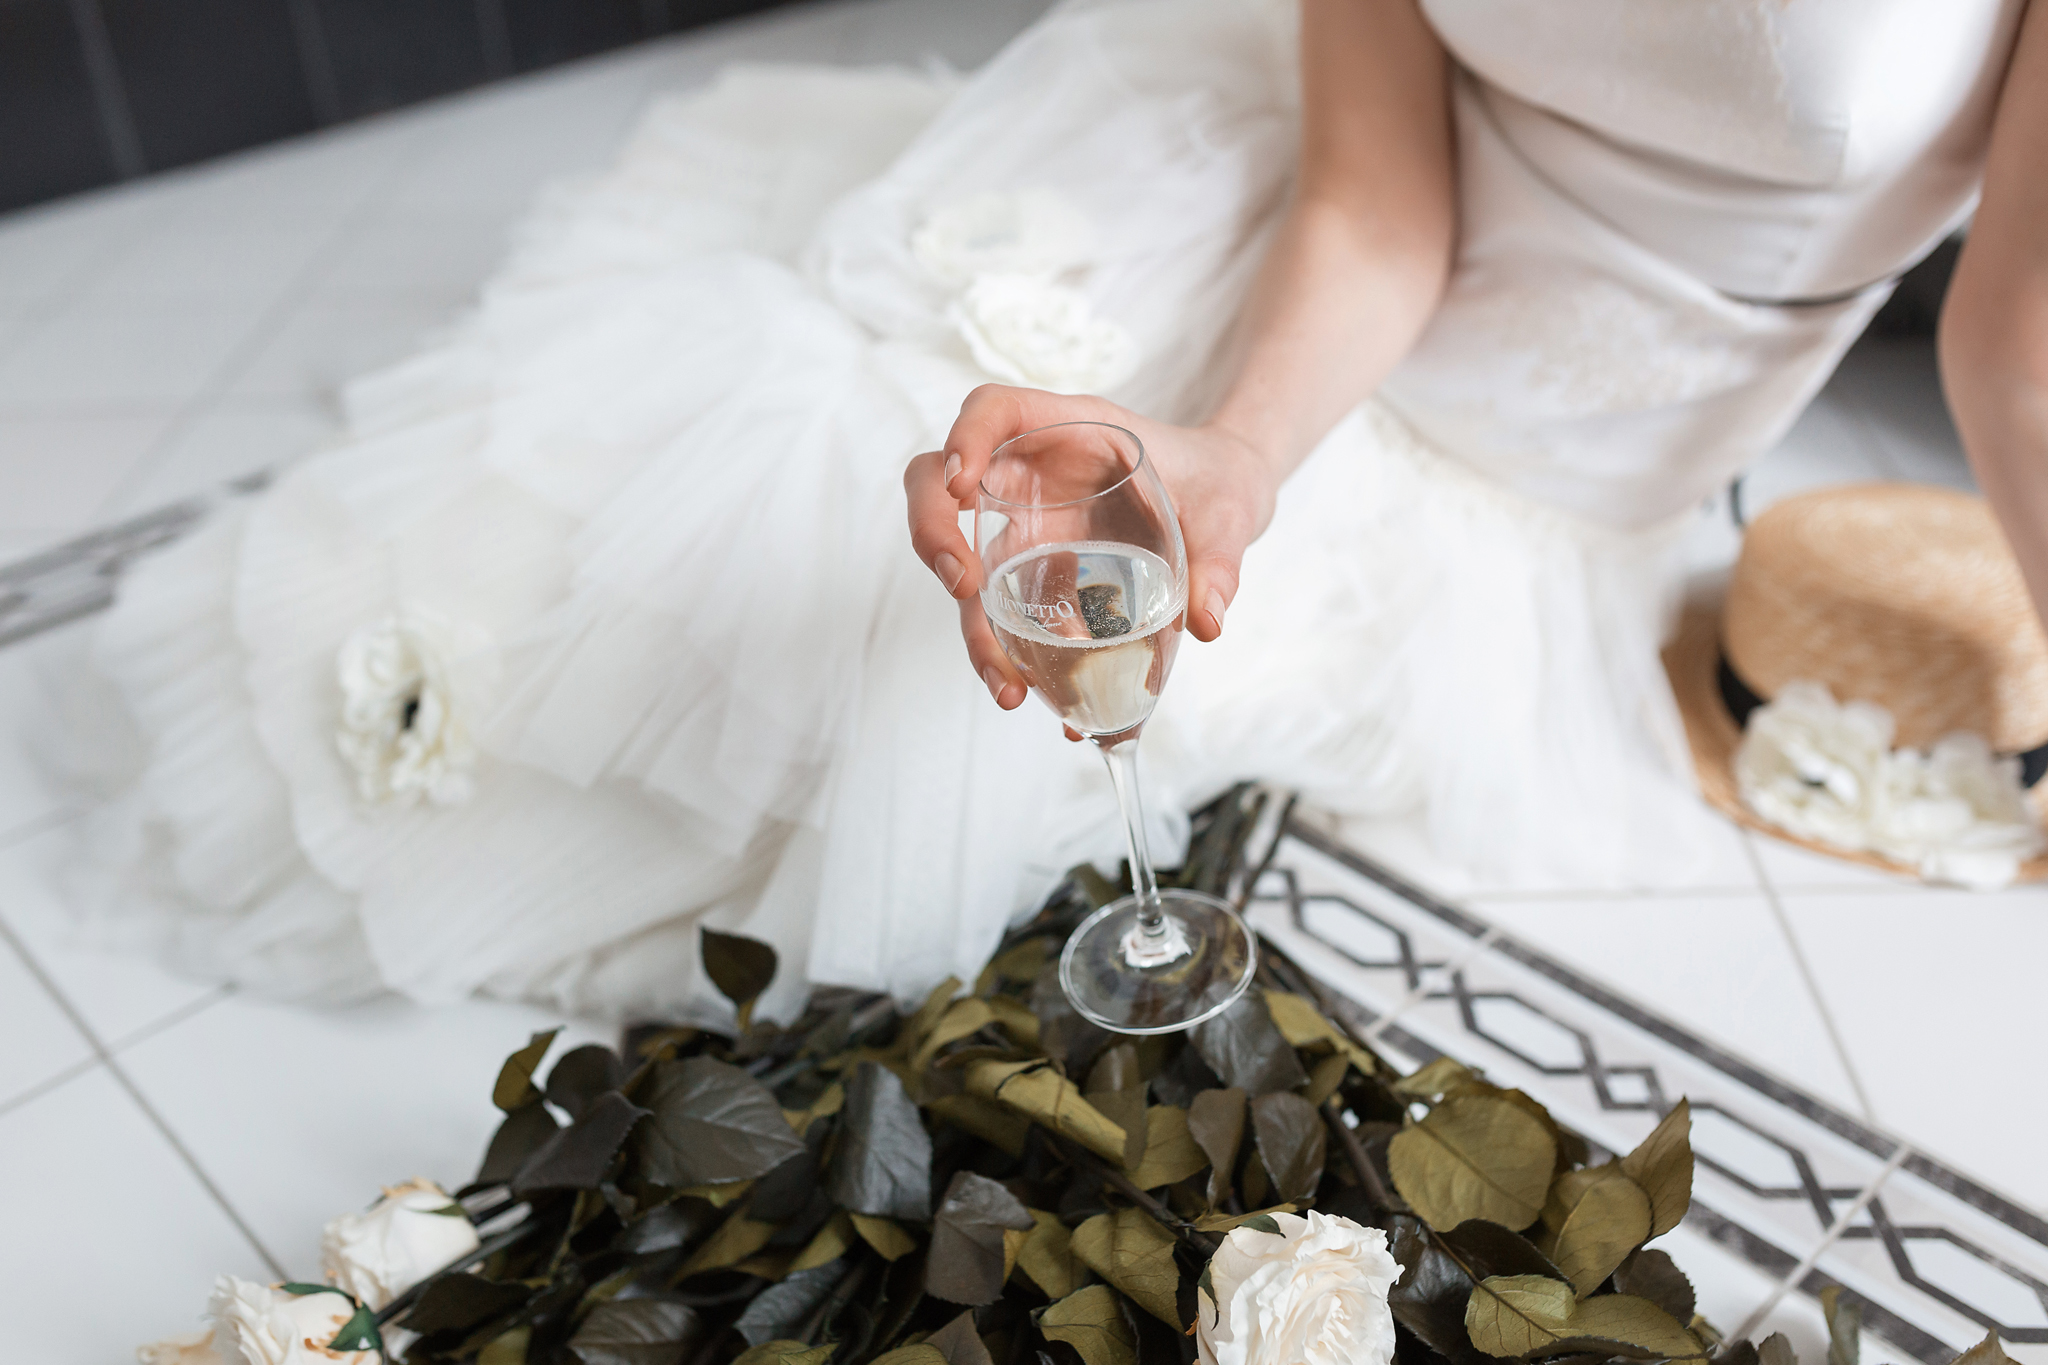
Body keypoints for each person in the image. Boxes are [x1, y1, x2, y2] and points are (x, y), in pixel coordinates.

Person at [54, 0, 2048, 1025]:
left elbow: (2019, 364)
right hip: (1307, 293)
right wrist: (1233, 453)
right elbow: (1375, 205)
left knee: (871, 733)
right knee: (814, 498)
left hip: (1543, 451)